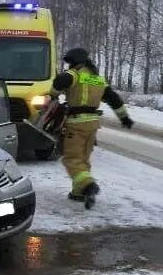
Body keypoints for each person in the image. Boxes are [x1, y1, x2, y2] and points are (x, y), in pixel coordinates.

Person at [52, 47, 134, 209]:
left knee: (71, 159)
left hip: (76, 123)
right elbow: (114, 99)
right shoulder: (98, 79)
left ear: (75, 61)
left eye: (69, 62)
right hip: (93, 124)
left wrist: (53, 92)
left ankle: (89, 185)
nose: (69, 66)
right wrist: (124, 117)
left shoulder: (74, 74)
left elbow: (59, 83)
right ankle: (78, 192)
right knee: (83, 158)